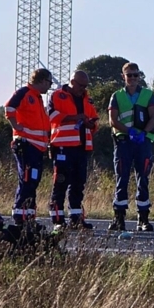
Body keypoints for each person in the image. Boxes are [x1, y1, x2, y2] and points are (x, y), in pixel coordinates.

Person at [108, 62, 154, 232]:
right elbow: (113, 120)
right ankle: (119, 218)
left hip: (142, 142)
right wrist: (129, 132)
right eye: (129, 75)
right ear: (123, 76)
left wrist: (143, 133)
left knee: (143, 178)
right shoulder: (116, 96)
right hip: (123, 141)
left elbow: (153, 117)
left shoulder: (147, 95)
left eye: (136, 75)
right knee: (121, 178)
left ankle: (143, 218)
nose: (133, 78)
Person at [47, 70, 99, 230]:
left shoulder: (87, 99)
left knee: (78, 184)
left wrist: (91, 124)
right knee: (61, 183)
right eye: (80, 85)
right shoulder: (57, 96)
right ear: (72, 82)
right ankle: (57, 219)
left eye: (85, 86)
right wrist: (75, 117)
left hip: (82, 148)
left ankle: (76, 218)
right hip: (63, 147)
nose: (83, 89)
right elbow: (51, 115)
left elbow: (94, 119)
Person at [4, 68, 53, 226]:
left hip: (37, 147)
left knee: (33, 180)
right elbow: (9, 108)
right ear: (41, 80)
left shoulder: (37, 97)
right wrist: (16, 126)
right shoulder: (25, 93)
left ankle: (29, 215)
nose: (49, 86)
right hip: (27, 144)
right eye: (49, 82)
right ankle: (20, 215)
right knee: (27, 179)